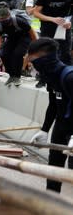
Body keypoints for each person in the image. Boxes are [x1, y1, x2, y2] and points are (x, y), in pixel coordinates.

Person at [27, 38, 73, 193]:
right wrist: (45, 129)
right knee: (53, 171)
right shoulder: (52, 78)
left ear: (45, 59)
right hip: (61, 128)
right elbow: (53, 105)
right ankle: (50, 205)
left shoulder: (69, 77)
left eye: (34, 61)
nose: (32, 66)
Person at [33, 0, 73, 65]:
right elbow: (36, 13)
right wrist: (52, 19)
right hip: (48, 30)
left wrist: (70, 22)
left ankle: (66, 79)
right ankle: (44, 78)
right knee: (46, 55)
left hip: (64, 30)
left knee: (65, 56)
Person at [0, 2, 38, 86]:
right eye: (1, 20)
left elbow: (31, 32)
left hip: (25, 37)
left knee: (18, 53)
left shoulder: (18, 20)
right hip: (12, 38)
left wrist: (36, 44)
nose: (4, 21)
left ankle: (17, 76)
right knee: (3, 53)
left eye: (5, 19)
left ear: (9, 15)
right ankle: (11, 76)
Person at [25, 0, 51, 88]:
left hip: (48, 27)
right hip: (35, 29)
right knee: (37, 52)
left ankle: (46, 75)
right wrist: (39, 6)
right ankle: (39, 75)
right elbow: (29, 12)